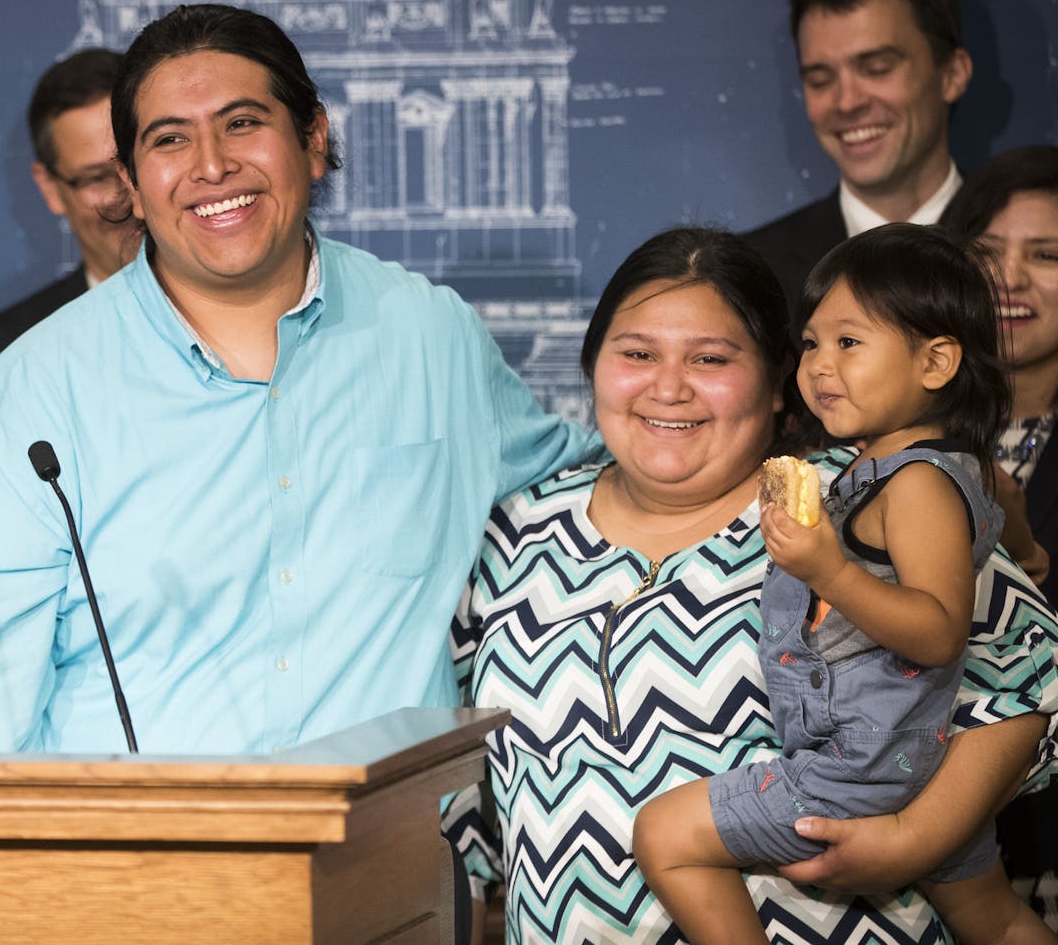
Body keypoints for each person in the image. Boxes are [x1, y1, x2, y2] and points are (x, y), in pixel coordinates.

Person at [0, 3, 592, 756]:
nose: (212, 166)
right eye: (170, 139)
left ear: (313, 138)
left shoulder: (435, 339)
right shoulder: (23, 402)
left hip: (391, 863)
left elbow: (606, 483)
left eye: (242, 123)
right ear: (132, 186)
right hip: (136, 866)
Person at [444, 227, 1057, 944]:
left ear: (775, 384)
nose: (667, 386)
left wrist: (918, 836)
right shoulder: (518, 526)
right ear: (594, 365)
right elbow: (461, 762)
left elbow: (1033, 679)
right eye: (637, 353)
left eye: (711, 359)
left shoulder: (859, 500)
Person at [632, 224, 1054, 944]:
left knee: (665, 834)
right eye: (811, 343)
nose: (821, 365)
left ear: (936, 361)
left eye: (850, 343)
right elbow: (1007, 505)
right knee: (993, 916)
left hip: (863, 764)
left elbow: (940, 628)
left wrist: (828, 569)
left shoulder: (916, 481)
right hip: (924, 755)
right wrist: (1031, 554)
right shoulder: (955, 466)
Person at [942, 145, 1058, 932]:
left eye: (1046, 256)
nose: (1009, 280)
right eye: (986, 255)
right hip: (907, 854)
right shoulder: (883, 436)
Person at [745, 0, 972, 307]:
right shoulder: (751, 274)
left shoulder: (1023, 257)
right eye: (820, 80)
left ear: (952, 74)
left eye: (877, 68)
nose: (847, 102)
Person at [0, 48, 141, 414]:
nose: (124, 197)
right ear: (50, 188)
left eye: (133, 164)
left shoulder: (251, 311)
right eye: (96, 178)